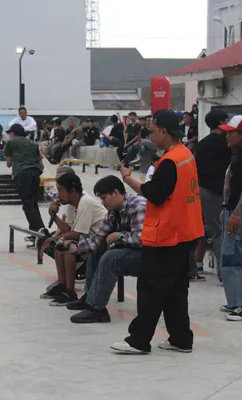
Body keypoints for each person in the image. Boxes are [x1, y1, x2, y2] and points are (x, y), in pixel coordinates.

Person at [113, 109, 204, 355]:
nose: (150, 135)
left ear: (164, 131)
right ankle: (181, 339)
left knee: (150, 289)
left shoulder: (169, 162)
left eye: (152, 131)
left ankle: (138, 340)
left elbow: (155, 194)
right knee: (175, 290)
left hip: (166, 236)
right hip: (185, 234)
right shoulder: (186, 155)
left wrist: (128, 180)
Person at [65, 176, 146, 323]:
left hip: (149, 254)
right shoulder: (113, 212)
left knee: (111, 258)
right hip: (132, 251)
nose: (103, 202)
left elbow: (142, 239)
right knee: (96, 251)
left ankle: (96, 309)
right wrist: (76, 248)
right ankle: (90, 298)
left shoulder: (138, 206)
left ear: (116, 192)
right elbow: (98, 239)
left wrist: (118, 236)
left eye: (104, 198)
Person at [39, 173, 107, 305]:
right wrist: (54, 215)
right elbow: (68, 229)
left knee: (66, 245)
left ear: (73, 191)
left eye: (60, 190)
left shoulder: (85, 202)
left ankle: (70, 292)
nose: (58, 194)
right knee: (60, 244)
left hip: (101, 244)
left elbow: (76, 234)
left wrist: (55, 238)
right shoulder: (71, 203)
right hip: (88, 241)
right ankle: (62, 285)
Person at [192, 109, 231, 281]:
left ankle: (195, 266)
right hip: (217, 192)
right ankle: (225, 275)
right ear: (222, 122)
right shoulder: (227, 143)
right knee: (219, 232)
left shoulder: (202, 143)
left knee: (202, 230)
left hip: (200, 190)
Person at [218, 115, 242, 320]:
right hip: (230, 211)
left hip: (237, 215)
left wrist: (235, 214)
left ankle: (238, 305)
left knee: (232, 258)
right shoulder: (236, 154)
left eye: (231, 132)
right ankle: (235, 301)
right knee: (232, 257)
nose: (227, 135)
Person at [4, 124, 45, 242]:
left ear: (13, 133)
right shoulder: (33, 143)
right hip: (35, 173)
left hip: (22, 174)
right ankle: (34, 232)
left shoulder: (11, 143)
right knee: (33, 203)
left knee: (27, 204)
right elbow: (41, 164)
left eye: (10, 133)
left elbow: (8, 163)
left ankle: (40, 231)